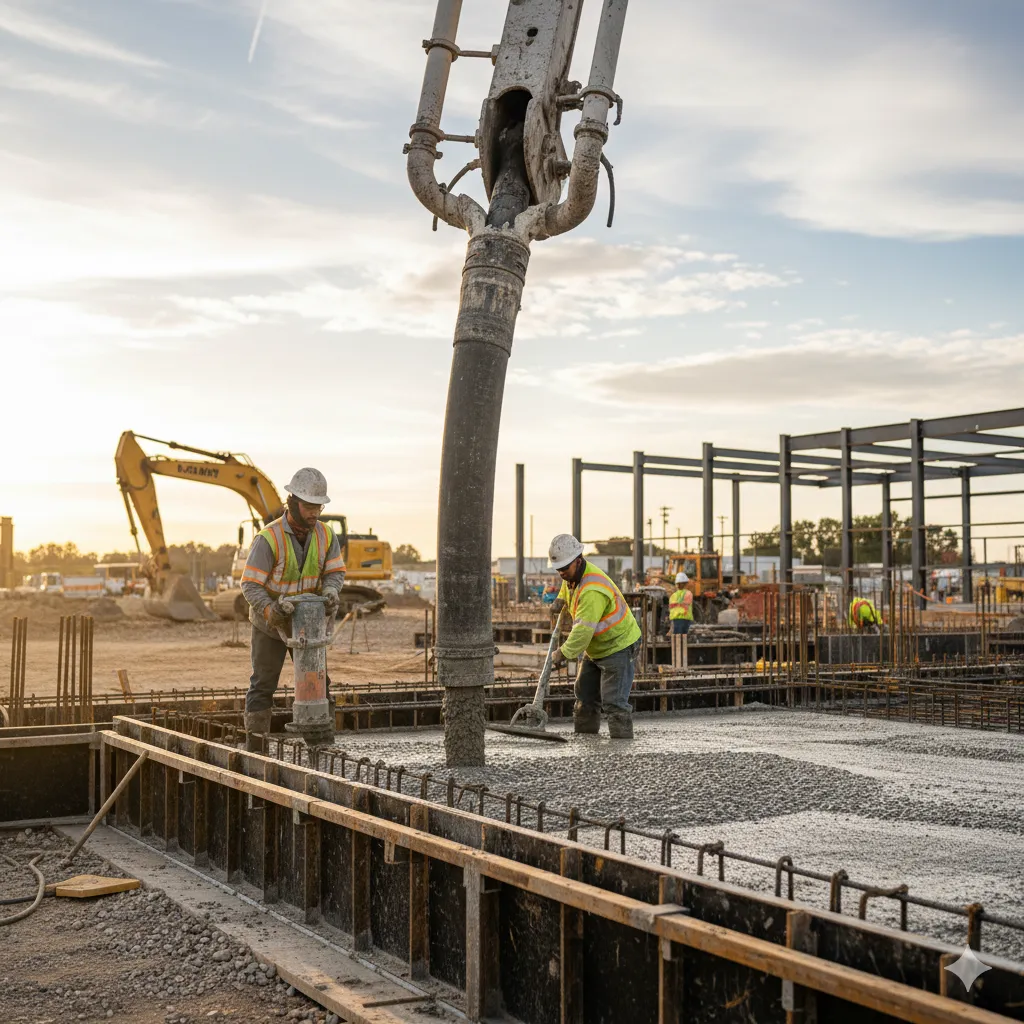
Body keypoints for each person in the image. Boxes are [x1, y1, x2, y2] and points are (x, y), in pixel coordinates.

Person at [240, 467, 346, 750]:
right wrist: (269, 610)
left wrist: (331, 590)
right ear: (293, 503)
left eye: (318, 506)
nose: (314, 513)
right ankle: (256, 749)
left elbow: (335, 572)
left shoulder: (326, 536)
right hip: (271, 624)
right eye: (309, 506)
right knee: (263, 684)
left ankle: (322, 745)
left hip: (308, 626)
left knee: (319, 686)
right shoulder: (268, 538)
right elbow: (250, 585)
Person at [547, 534, 642, 739]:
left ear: (578, 561)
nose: (561, 573)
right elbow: (567, 585)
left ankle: (621, 750)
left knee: (614, 702)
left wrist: (562, 653)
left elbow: (582, 631)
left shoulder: (592, 589)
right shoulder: (573, 575)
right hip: (597, 646)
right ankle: (585, 741)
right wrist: (561, 600)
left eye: (565, 569)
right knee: (585, 696)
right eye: (559, 569)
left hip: (618, 645)